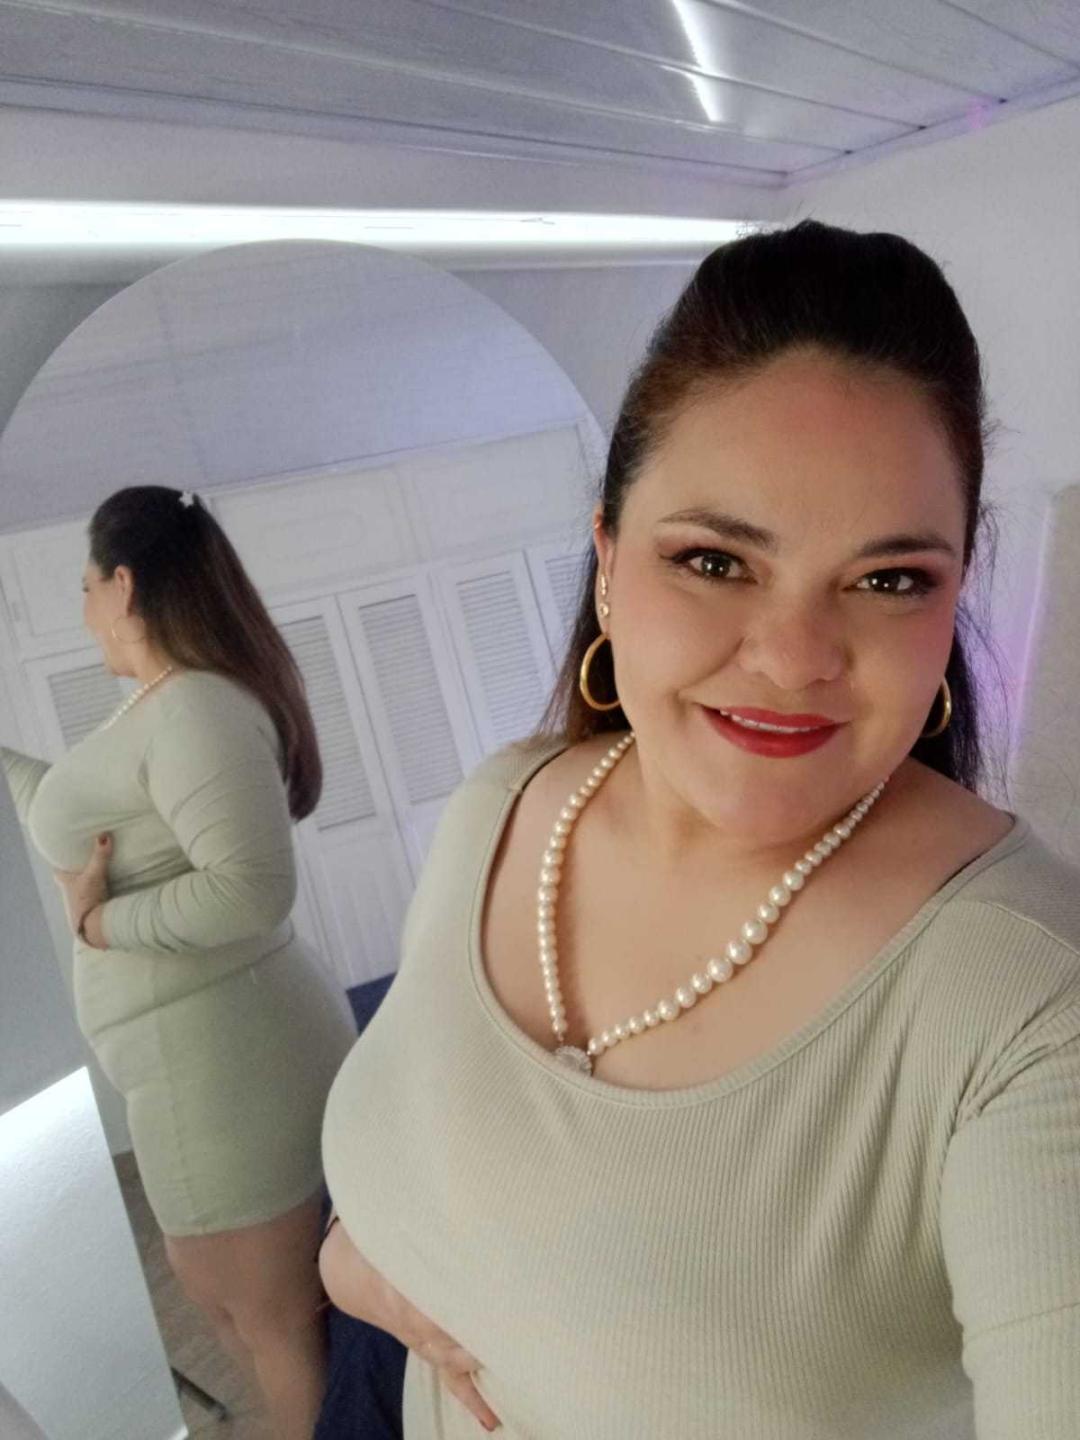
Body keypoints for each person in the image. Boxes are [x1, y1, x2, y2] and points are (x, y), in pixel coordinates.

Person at [316, 220, 1080, 1438]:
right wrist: (356, 1263)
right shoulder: (506, 803)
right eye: (717, 561)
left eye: (889, 579)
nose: (793, 658)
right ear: (607, 562)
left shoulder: (1032, 1003)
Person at [1, 485, 357, 1439]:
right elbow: (63, 814)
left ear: (123, 586)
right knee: (238, 1309)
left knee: (270, 1320)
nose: (83, 611)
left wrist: (99, 926)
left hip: (226, 1064)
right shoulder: (159, 710)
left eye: (84, 587)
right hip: (198, 1062)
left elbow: (249, 890)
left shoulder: (197, 707)